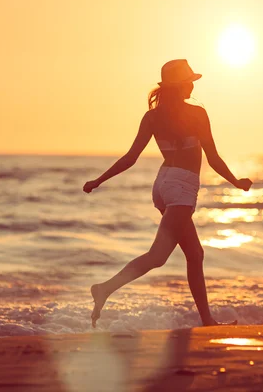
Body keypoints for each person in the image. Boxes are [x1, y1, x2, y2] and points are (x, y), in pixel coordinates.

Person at [83, 59, 253, 328]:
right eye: (189, 81)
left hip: (163, 184)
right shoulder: (197, 114)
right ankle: (104, 288)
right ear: (181, 85)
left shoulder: (152, 117)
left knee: (195, 255)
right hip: (182, 187)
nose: (192, 86)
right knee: (158, 256)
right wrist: (235, 182)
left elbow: (131, 157)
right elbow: (213, 158)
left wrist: (98, 180)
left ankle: (207, 320)